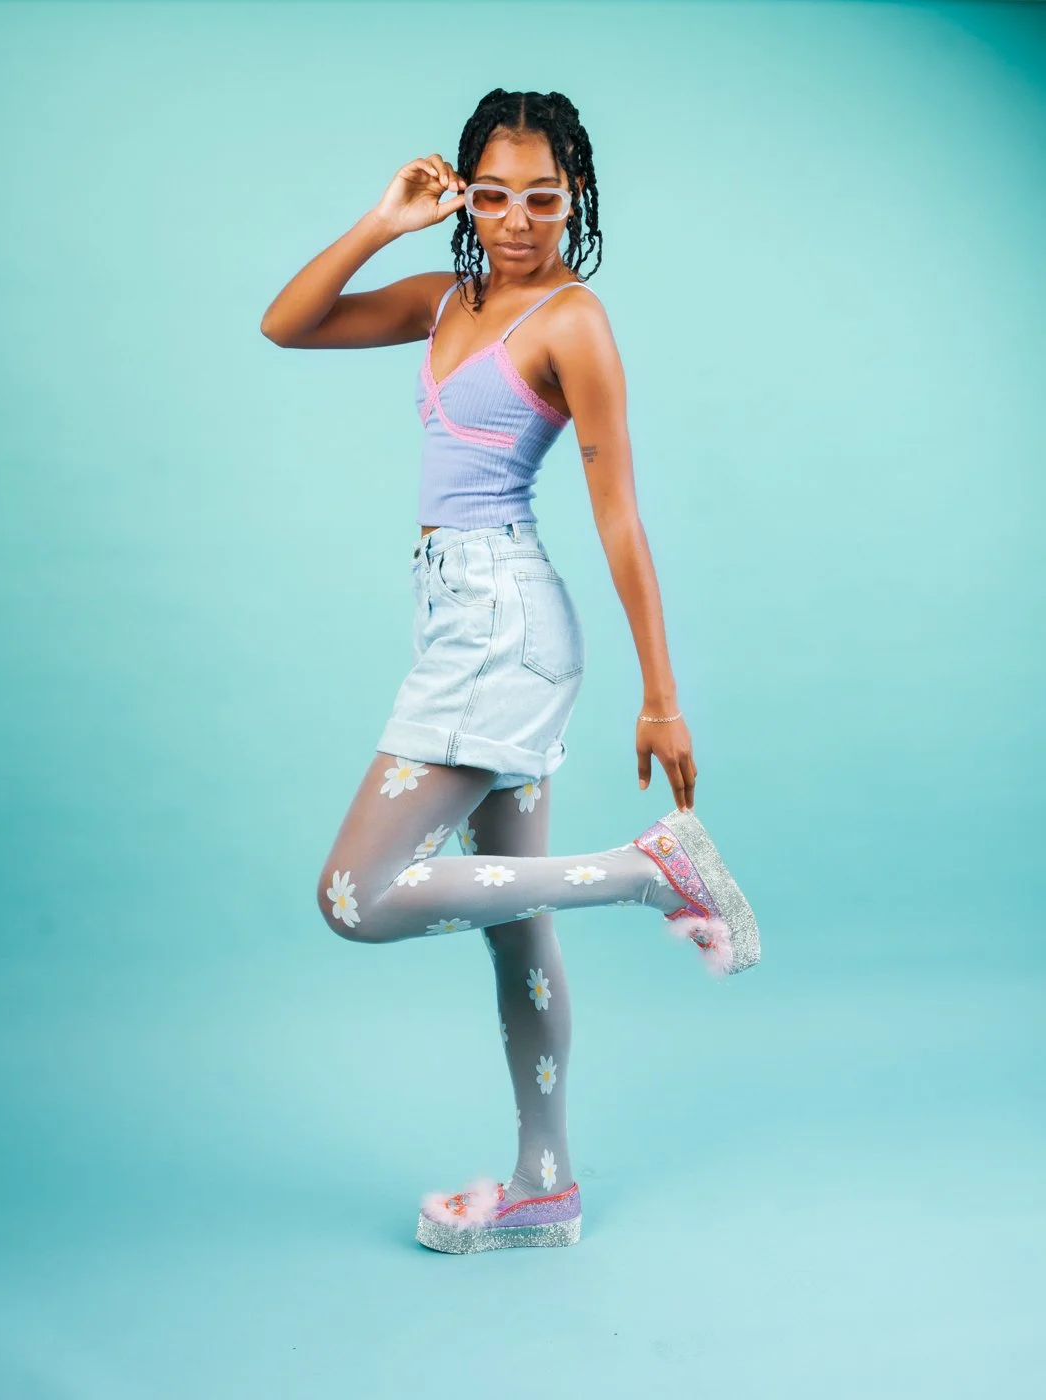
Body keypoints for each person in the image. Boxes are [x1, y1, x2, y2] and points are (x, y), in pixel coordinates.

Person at [261, 89, 760, 1255]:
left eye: (543, 197)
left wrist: (661, 694)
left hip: (502, 623)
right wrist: (384, 219)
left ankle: (647, 871)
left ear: (575, 197)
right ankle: (545, 1183)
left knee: (354, 895)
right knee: (514, 923)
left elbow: (618, 513)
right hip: (461, 615)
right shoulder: (446, 296)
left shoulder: (570, 320)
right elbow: (288, 323)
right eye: (492, 196)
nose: (518, 221)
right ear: (466, 198)